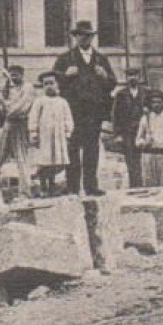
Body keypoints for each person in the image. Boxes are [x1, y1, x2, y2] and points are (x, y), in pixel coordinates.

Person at [52, 19, 117, 196]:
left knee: (91, 149)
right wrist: (66, 75)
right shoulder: (65, 59)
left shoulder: (101, 59)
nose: (85, 39)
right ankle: (72, 186)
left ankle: (91, 186)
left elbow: (112, 83)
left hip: (93, 113)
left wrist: (104, 77)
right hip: (73, 113)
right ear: (76, 37)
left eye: (88, 36)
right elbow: (53, 83)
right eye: (81, 35)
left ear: (92, 38)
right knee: (72, 149)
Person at [28, 72, 74, 197]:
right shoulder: (39, 101)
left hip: (58, 137)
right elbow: (33, 118)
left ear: (57, 84)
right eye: (45, 84)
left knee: (56, 162)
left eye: (51, 83)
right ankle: (43, 186)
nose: (49, 86)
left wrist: (68, 133)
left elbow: (68, 118)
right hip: (45, 137)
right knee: (45, 162)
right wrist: (34, 133)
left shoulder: (62, 102)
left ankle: (52, 185)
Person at [0, 65, 35, 195]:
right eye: (11, 74)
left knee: (21, 156)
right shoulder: (7, 88)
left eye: (16, 74)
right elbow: (0, 106)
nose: (13, 77)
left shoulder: (28, 87)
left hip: (21, 123)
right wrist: (3, 91)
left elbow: (21, 107)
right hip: (8, 123)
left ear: (22, 75)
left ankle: (25, 190)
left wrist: (7, 105)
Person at [111, 70, 149, 189]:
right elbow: (115, 115)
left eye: (134, 75)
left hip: (142, 130)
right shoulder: (121, 94)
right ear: (126, 78)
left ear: (139, 77)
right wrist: (118, 134)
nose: (132, 78)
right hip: (127, 131)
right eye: (129, 76)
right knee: (130, 158)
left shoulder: (145, 93)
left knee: (143, 158)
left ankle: (145, 184)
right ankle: (135, 185)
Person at [136, 89, 163, 188]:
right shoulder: (144, 119)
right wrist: (144, 142)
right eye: (153, 102)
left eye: (159, 102)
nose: (156, 105)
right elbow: (137, 141)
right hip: (148, 156)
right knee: (149, 187)